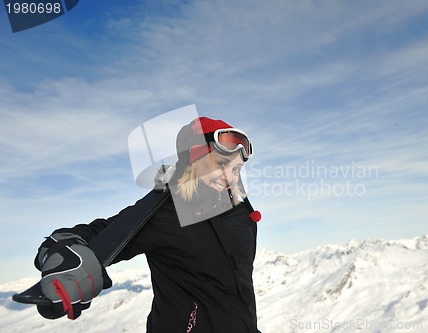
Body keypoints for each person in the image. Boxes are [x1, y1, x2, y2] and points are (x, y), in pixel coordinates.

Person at [34, 116, 262, 333]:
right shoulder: (166, 213)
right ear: (195, 159)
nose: (229, 177)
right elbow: (104, 232)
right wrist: (65, 248)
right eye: (220, 164)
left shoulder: (241, 215)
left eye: (236, 169)